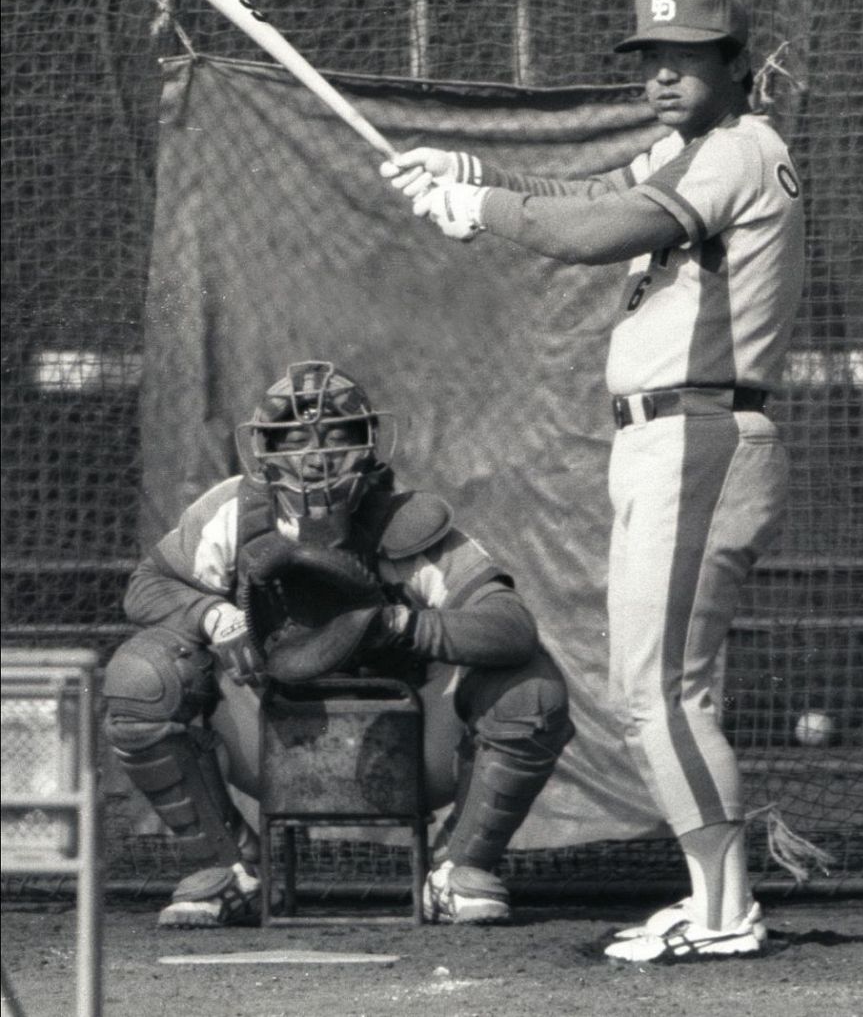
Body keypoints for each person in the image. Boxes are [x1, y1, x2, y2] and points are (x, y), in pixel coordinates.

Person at [380, 0, 805, 962]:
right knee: (649, 683)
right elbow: (587, 196)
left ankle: (723, 910)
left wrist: (477, 204)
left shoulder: (742, 148)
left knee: (663, 687)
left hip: (700, 433)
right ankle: (713, 897)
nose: (663, 73)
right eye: (651, 57)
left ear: (733, 65)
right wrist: (469, 171)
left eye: (687, 57)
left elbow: (598, 233)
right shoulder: (679, 150)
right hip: (659, 439)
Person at [104, 359, 573, 928]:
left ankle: (458, 869)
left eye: (335, 437)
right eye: (295, 439)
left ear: (369, 445)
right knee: (143, 677)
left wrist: (395, 624)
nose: (314, 457)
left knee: (531, 688)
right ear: (264, 449)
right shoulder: (232, 511)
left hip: (408, 741)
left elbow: (510, 626)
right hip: (267, 733)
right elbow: (145, 586)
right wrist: (214, 614)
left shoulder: (406, 519)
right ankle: (228, 872)